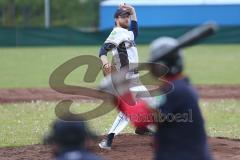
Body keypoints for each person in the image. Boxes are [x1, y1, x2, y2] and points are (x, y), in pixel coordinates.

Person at [112, 37, 213, 160]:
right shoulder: (178, 87)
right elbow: (148, 111)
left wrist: (120, 95)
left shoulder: (175, 91)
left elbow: (141, 119)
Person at [98, 4, 153, 150]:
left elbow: (135, 29)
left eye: (127, 16)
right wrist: (104, 64)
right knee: (128, 111)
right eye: (123, 16)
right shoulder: (116, 33)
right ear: (116, 19)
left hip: (134, 78)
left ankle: (141, 128)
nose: (127, 18)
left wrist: (133, 10)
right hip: (124, 79)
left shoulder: (127, 34)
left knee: (150, 103)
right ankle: (107, 140)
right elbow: (103, 50)